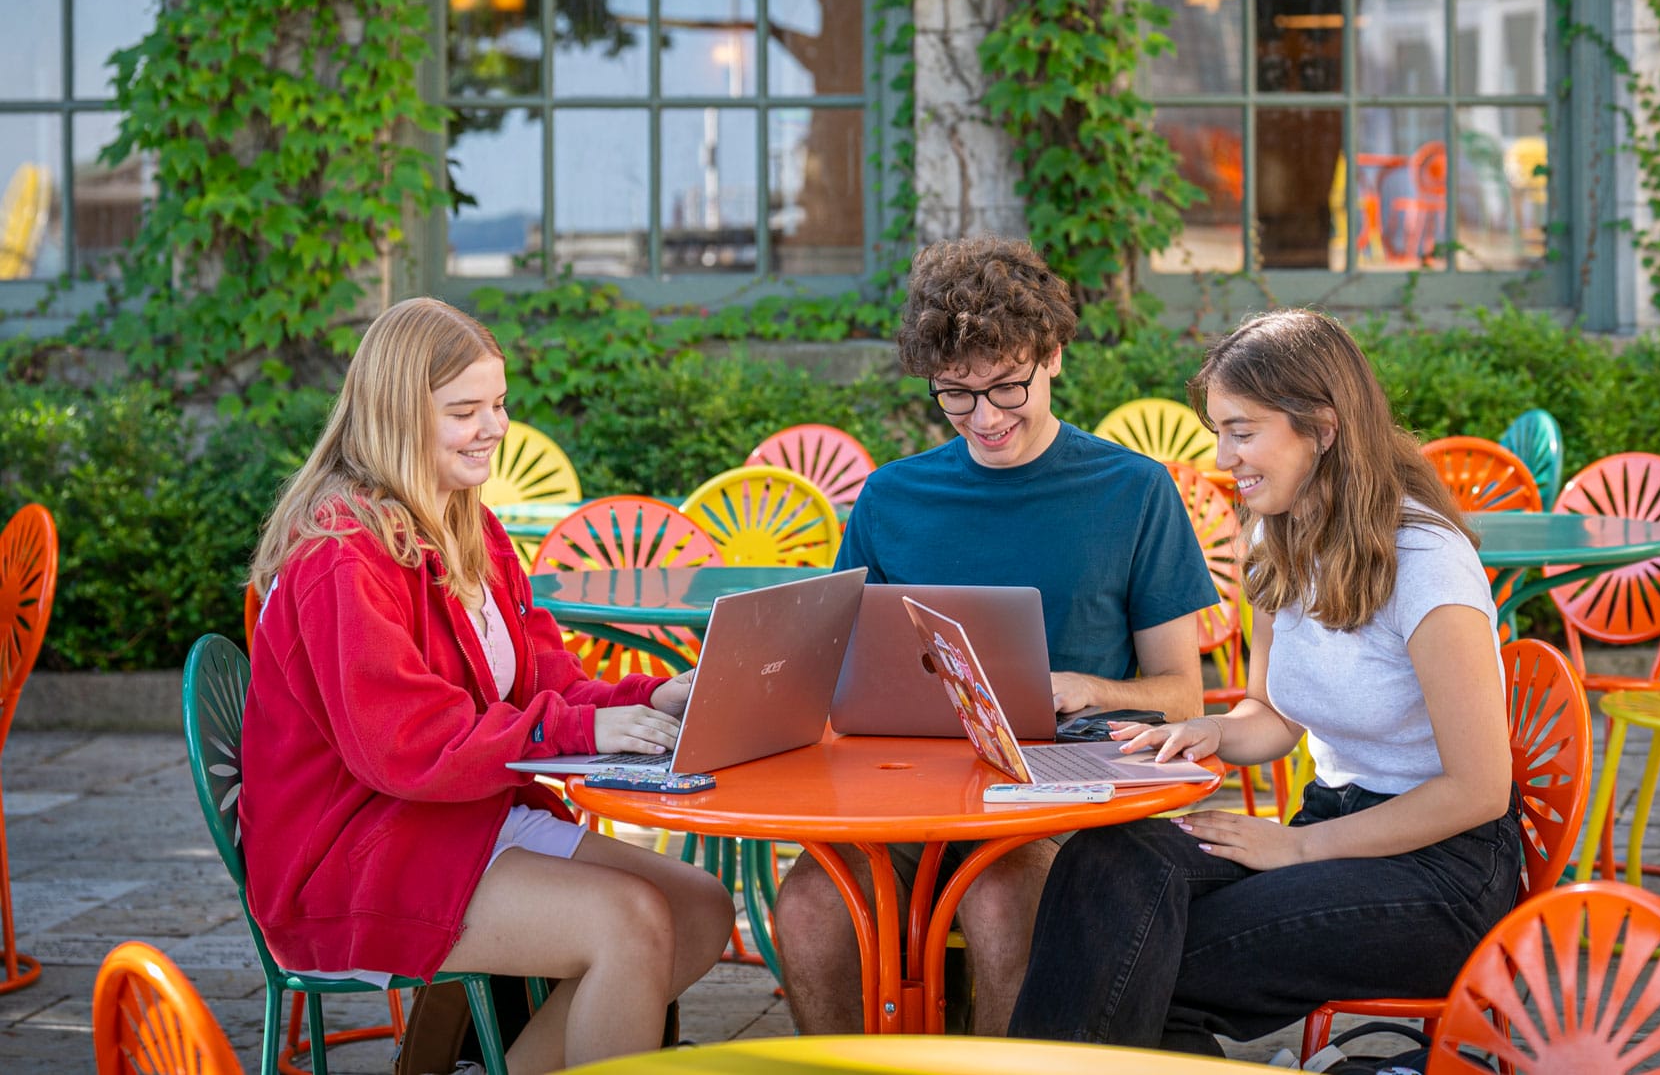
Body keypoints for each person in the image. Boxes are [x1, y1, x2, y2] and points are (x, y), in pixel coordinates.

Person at [239, 298, 735, 1075]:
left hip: (462, 816)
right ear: (395, 417)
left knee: (701, 910)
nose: (495, 426)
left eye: (498, 403)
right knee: (629, 924)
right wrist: (575, 733)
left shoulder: (473, 527)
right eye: (465, 410)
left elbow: (549, 681)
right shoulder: (342, 556)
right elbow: (405, 746)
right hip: (358, 849)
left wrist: (648, 700)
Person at [1009, 308, 1522, 1053]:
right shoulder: (1275, 536)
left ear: (1323, 426)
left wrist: (1304, 850)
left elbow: (1481, 790)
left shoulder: (1426, 563)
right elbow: (1274, 715)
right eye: (1220, 430)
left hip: (1443, 871)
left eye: (1242, 431)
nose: (1223, 457)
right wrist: (1207, 731)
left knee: (1140, 957)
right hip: (1335, 826)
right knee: (1108, 858)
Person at [771, 237, 1218, 1035]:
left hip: (1059, 800)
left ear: (1052, 356)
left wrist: (1092, 689)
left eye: (1007, 388)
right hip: (911, 796)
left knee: (1002, 899)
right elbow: (835, 672)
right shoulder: (892, 496)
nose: (985, 418)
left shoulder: (1133, 491)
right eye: (956, 395)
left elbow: (1183, 693)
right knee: (807, 909)